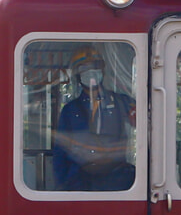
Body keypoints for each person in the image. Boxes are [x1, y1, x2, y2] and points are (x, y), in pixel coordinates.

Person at [53, 45, 136, 191]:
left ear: (102, 70)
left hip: (116, 182)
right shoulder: (70, 110)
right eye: (84, 68)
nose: (90, 72)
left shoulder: (121, 102)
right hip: (79, 182)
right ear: (77, 75)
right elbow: (60, 151)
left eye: (94, 66)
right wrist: (63, 186)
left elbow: (146, 126)